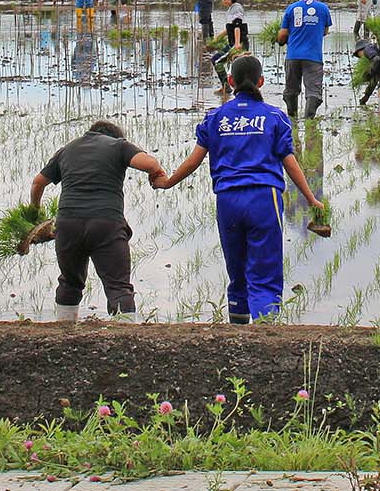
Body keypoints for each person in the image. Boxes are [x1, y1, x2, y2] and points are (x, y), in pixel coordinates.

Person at [153, 55, 328, 323]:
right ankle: (265, 328)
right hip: (263, 198)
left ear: (231, 82)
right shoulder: (274, 117)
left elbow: (194, 160)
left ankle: (237, 326)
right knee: (265, 269)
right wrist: (311, 198)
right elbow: (290, 163)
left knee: (237, 266)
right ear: (261, 81)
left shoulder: (215, 118)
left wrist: (167, 182)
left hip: (228, 200)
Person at [28, 121, 168, 320]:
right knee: (118, 286)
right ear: (116, 136)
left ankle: (64, 331)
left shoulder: (66, 150)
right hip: (106, 223)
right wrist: (157, 174)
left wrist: (35, 214)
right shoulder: (119, 145)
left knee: (70, 281)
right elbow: (150, 164)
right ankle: (125, 336)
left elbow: (37, 183)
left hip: (68, 224)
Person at [277, 0, 333, 117]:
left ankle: (292, 117)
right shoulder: (323, 8)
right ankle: (309, 119)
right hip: (313, 57)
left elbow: (283, 34)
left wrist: (280, 40)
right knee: (313, 90)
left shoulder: (291, 8)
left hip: (293, 56)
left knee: (291, 88)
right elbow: (325, 31)